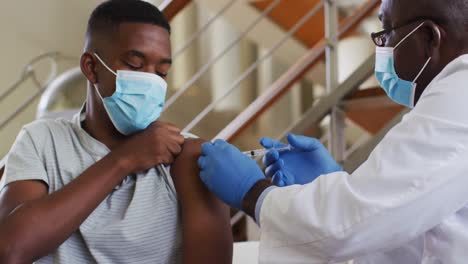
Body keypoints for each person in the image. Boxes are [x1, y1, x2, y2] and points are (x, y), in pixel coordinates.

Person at [197, 0, 468, 263]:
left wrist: (253, 193)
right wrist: (338, 181)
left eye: (387, 33)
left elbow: (356, 222)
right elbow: (404, 221)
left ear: (429, 38)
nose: (383, 47)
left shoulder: (460, 96)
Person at [0, 1, 232, 263]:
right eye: (134, 65)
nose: (150, 81)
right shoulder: (42, 140)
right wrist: (124, 160)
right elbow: (10, 250)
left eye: (161, 72)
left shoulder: (185, 155)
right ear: (91, 67)